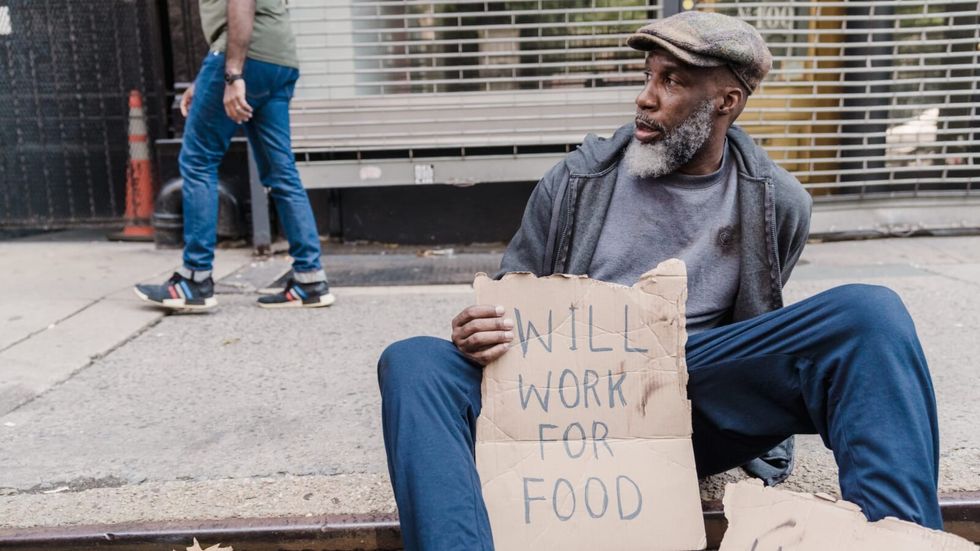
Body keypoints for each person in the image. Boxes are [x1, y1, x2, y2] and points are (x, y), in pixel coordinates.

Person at [377, 10, 942, 550]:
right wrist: (480, 331)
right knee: (413, 361)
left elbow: (757, 334)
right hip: (564, 404)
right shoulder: (577, 179)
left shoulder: (779, 201)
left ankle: (900, 539)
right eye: (648, 76)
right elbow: (511, 303)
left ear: (727, 101)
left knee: (869, 314)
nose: (645, 98)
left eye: (672, 82)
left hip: (689, 397)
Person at [135, 0, 334, 310]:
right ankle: (310, 279)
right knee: (282, 172)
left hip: (247, 57)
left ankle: (195, 279)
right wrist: (206, 81)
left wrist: (231, 75)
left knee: (198, 160)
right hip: (279, 60)